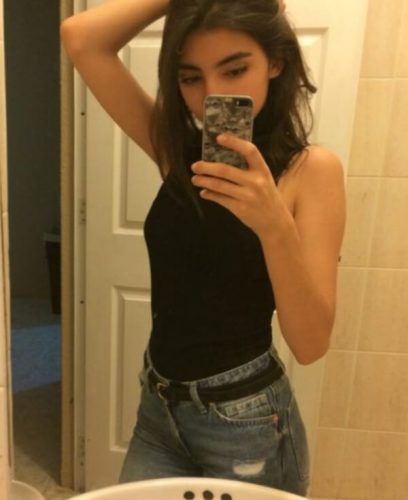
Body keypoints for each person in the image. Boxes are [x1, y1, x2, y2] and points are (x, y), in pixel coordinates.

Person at [61, 0, 345, 495]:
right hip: (159, 407)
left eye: (234, 70)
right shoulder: (178, 154)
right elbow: (81, 39)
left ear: (275, 61)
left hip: (247, 422)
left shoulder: (311, 171)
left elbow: (311, 343)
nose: (212, 94)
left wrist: (274, 226)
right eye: (191, 77)